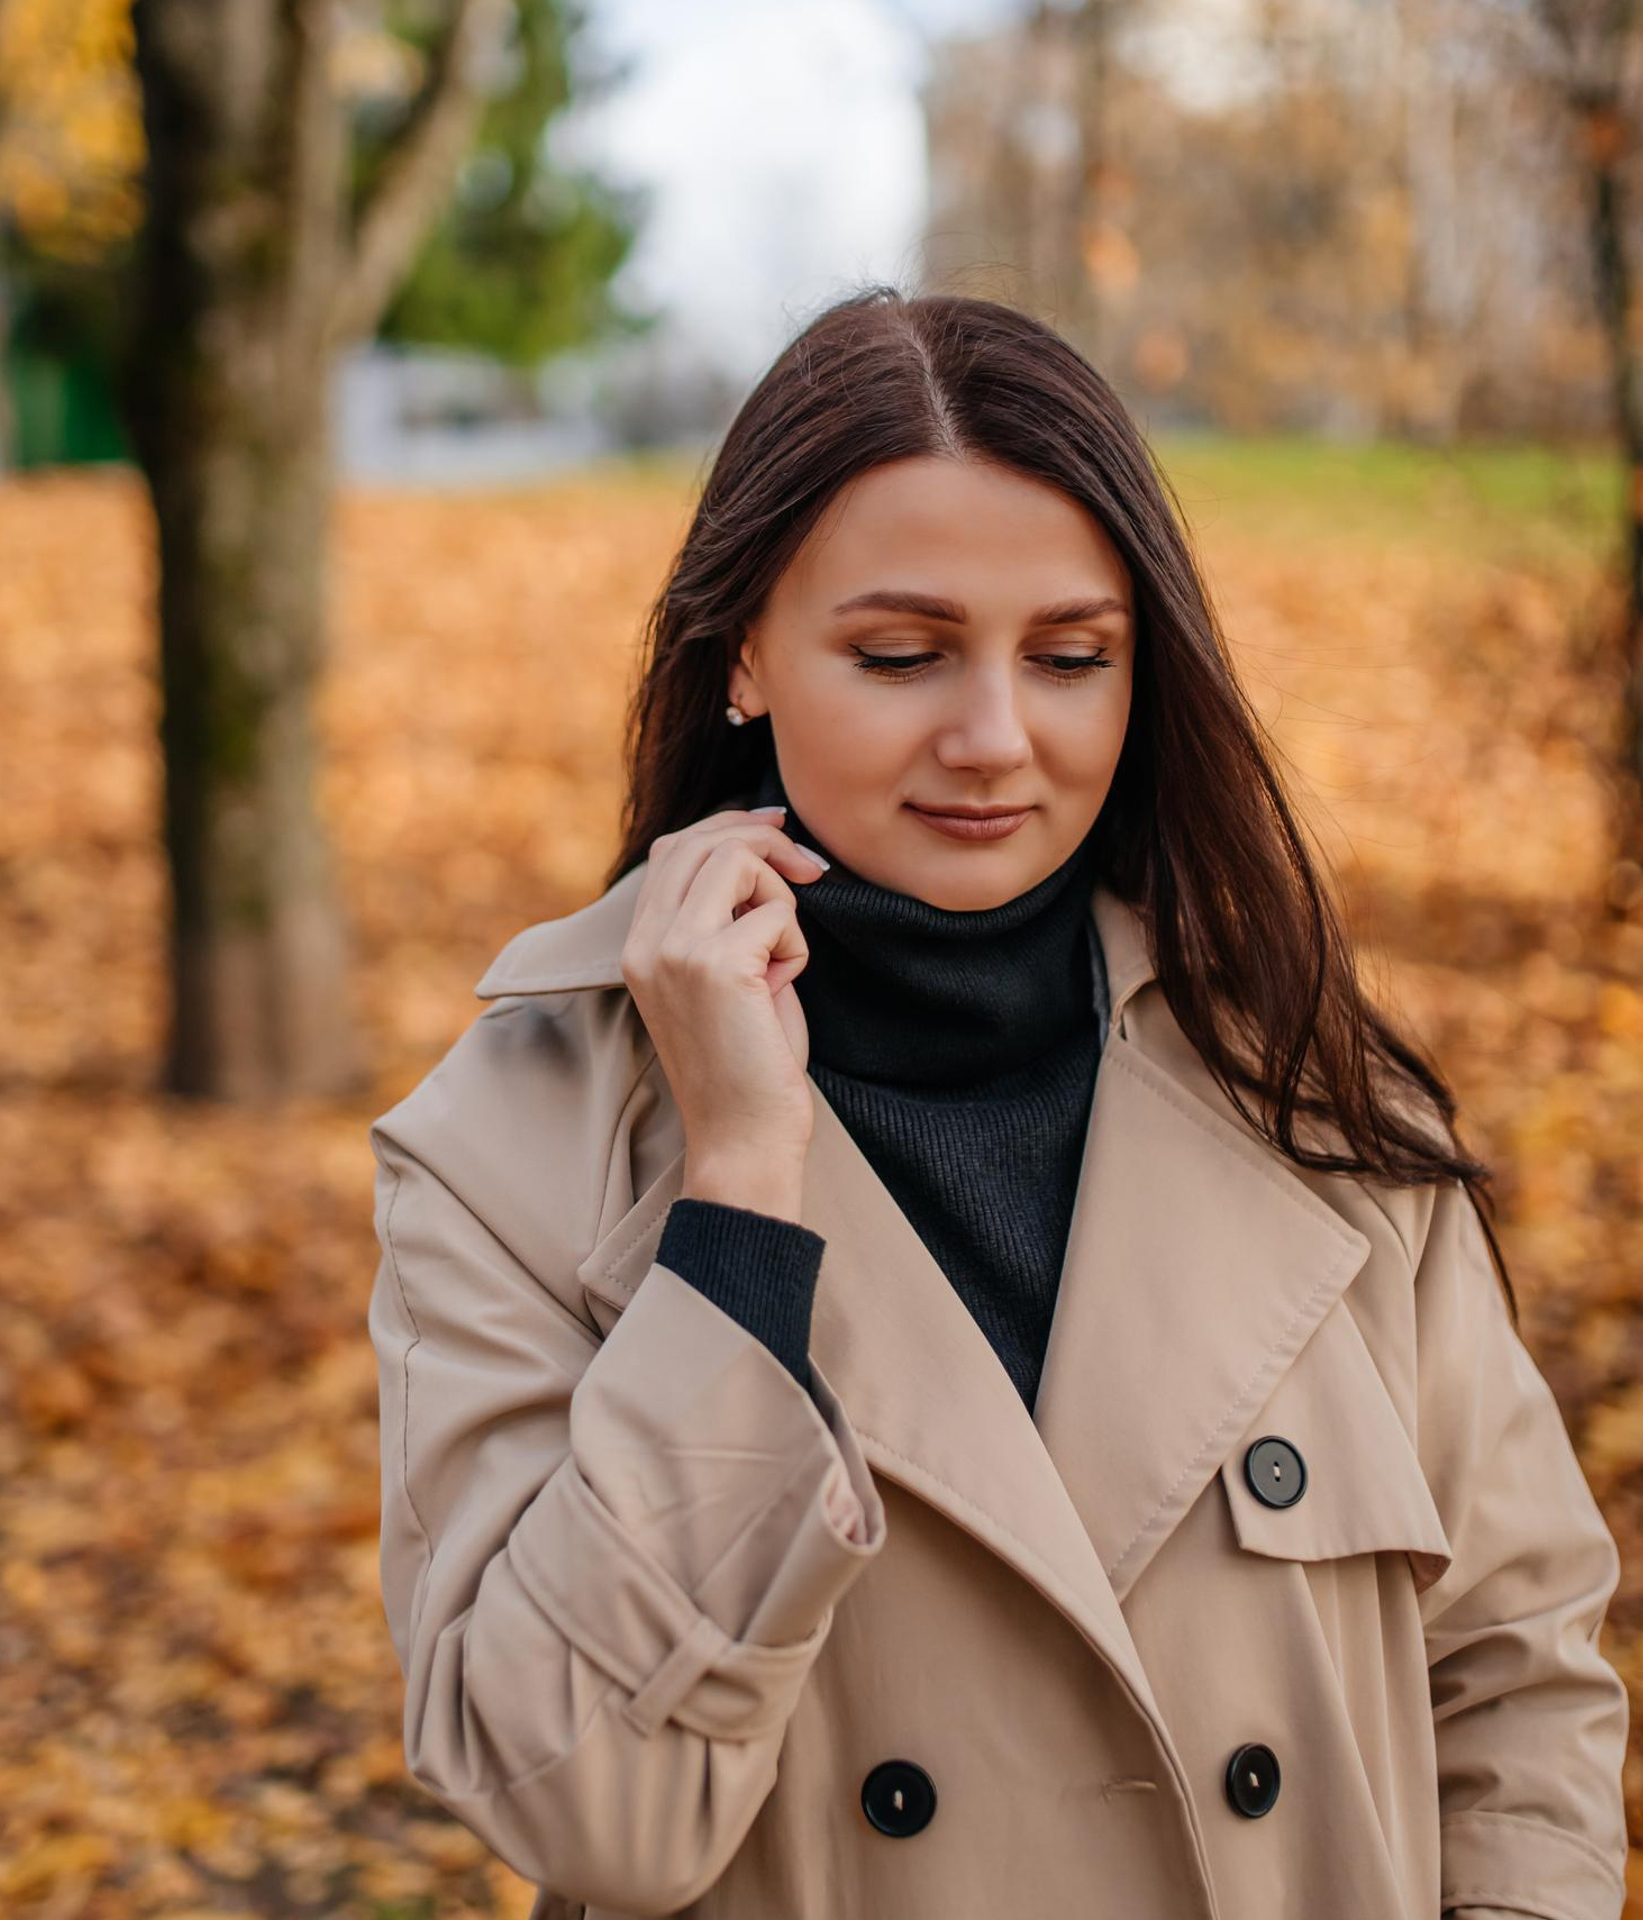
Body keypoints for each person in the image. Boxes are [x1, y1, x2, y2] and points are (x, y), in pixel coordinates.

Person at [366, 288, 1629, 1920]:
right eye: (901, 655)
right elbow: (582, 1800)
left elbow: (1520, 1669)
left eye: (1071, 659)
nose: (993, 739)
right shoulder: (512, 1146)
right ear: (743, 652)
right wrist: (737, 1185)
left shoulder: (1306, 1082)